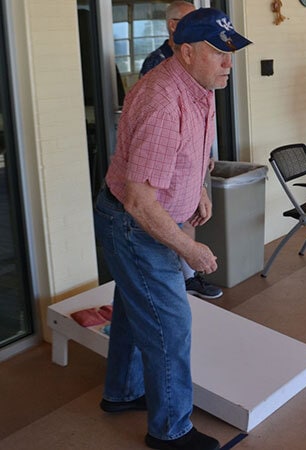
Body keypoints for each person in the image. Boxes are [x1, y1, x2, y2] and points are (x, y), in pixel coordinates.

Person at [93, 8, 251, 450]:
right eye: (219, 52)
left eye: (231, 52)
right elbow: (141, 201)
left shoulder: (200, 86)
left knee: (131, 307)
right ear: (185, 52)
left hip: (144, 219)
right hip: (136, 226)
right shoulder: (163, 100)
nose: (229, 62)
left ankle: (122, 393)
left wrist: (198, 186)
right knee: (171, 325)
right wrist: (189, 249)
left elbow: (192, 150)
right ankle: (170, 431)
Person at [139, 1, 223, 301]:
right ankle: (182, 280)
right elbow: (164, 131)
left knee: (189, 215)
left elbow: (196, 119)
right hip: (162, 174)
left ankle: (187, 277)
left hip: (192, 164)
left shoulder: (202, 69)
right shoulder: (159, 69)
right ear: (174, 25)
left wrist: (201, 164)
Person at [139, 1, 195, 78]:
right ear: (172, 25)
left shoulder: (195, 54)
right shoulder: (155, 61)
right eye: (190, 22)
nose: (196, 27)